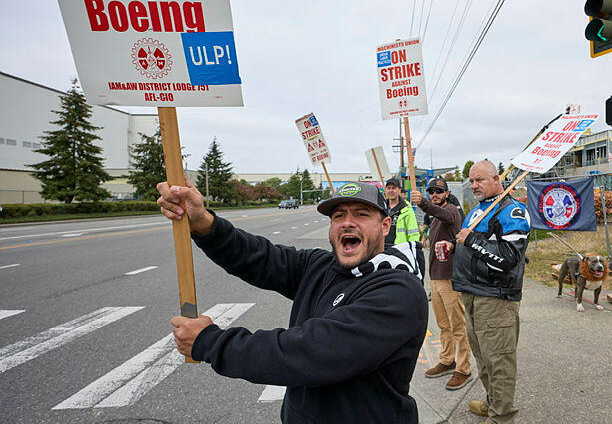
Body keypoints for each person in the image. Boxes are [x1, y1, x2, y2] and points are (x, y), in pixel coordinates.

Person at [158, 179, 428, 424]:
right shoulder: (320, 266)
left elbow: (311, 352)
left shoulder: (399, 291)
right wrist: (203, 223)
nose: (347, 222)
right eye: (338, 216)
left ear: (385, 226)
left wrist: (210, 342)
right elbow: (260, 257)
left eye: (361, 214)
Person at [452, 161, 530, 424]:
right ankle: (492, 403)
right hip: (472, 293)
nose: (474, 185)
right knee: (483, 358)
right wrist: (453, 247)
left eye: (480, 180)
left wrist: (471, 240)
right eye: (471, 181)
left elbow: (509, 258)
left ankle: (502, 417)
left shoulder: (512, 210)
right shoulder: (480, 209)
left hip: (495, 297)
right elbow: (470, 246)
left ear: (497, 179)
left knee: (499, 362)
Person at [410, 178, 471, 390]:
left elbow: (443, 214)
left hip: (450, 278)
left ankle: (463, 369)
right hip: (436, 278)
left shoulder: (452, 211)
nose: (434, 194)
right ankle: (447, 359)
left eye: (438, 191)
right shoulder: (434, 217)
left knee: (458, 326)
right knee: (443, 325)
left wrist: (423, 203)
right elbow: (434, 218)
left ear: (446, 193)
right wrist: (425, 234)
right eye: (431, 191)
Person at [384, 177, 421, 247]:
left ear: (399, 190)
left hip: (399, 250)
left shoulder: (407, 209)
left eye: (394, 188)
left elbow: (413, 234)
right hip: (382, 249)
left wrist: (413, 251)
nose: (391, 190)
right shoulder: (382, 207)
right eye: (388, 188)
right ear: (385, 190)